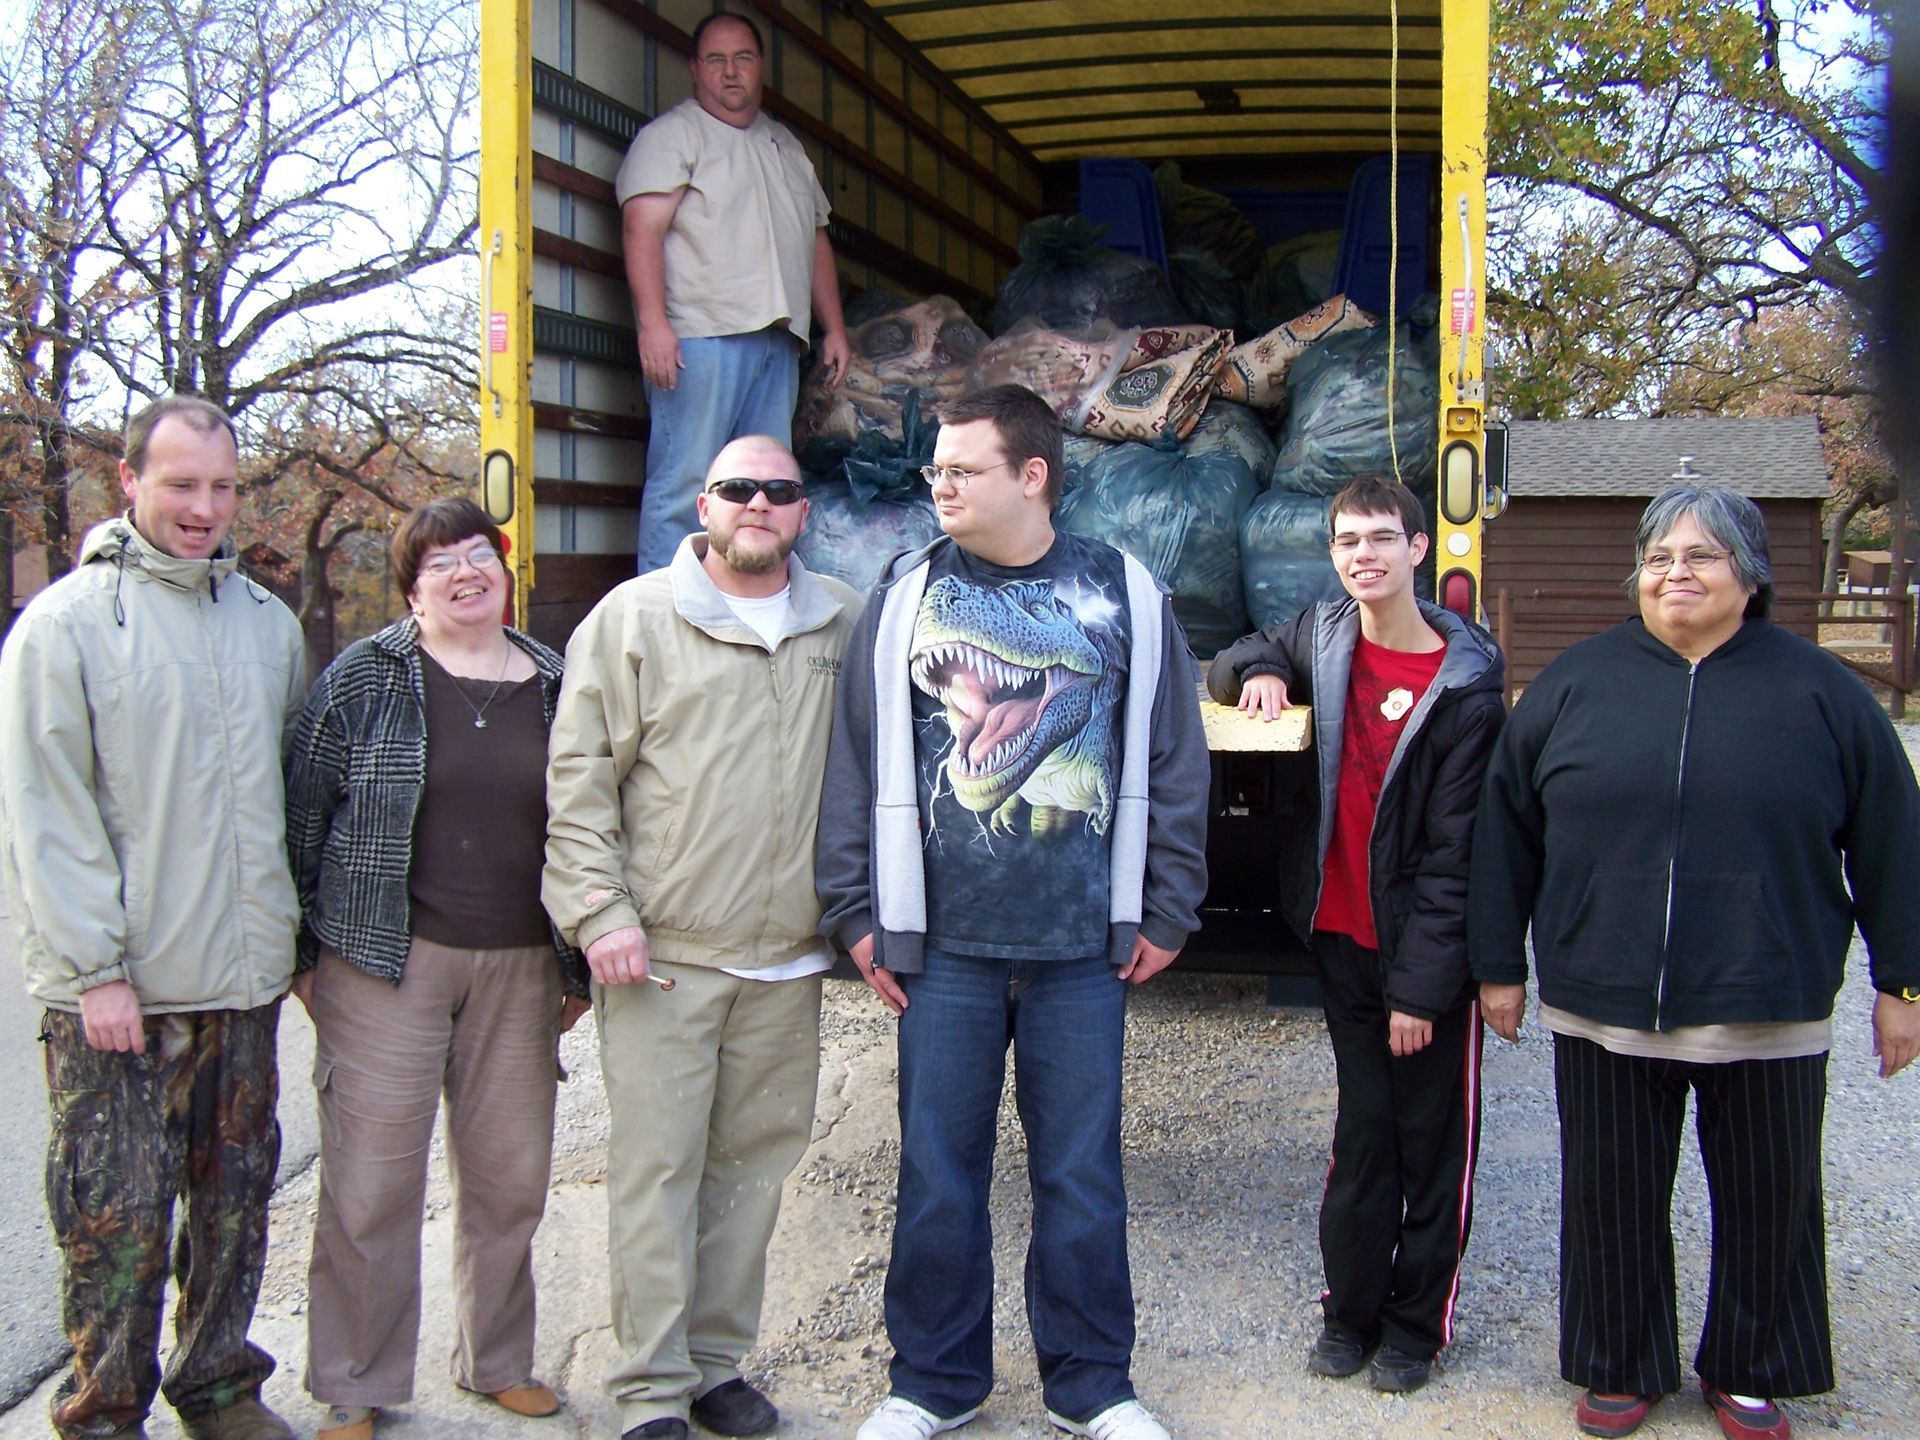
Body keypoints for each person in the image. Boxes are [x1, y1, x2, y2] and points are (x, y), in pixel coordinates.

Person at [1469, 484, 1920, 1440]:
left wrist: (1903, 984)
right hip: (1604, 996)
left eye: (1701, 555)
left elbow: (1893, 845)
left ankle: (1751, 1367)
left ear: (1749, 576)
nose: (1675, 573)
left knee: (1769, 1199)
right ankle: (1620, 1363)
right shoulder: (1574, 685)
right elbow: (1505, 834)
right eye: (1659, 557)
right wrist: (1498, 964)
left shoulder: (1825, 695)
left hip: (1768, 996)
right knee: (1611, 1193)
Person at [816, 384, 1211, 1440]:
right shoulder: (904, 595)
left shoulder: (1123, 589)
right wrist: (855, 912)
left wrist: (1167, 908)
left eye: (963, 469)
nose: (939, 485)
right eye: (935, 469)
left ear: (1032, 476)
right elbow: (852, 760)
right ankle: (932, 1382)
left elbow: (1175, 758)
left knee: (1080, 1174)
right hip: (941, 948)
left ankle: (1092, 1385)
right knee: (937, 1175)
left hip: (1081, 948)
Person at [0, 395, 305, 1440]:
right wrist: (94, 970)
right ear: (129, 481)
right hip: (118, 994)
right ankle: (103, 1412)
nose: (203, 507)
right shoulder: (65, 626)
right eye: (181, 484)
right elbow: (47, 811)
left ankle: (219, 1387)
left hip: (242, 982)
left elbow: (288, 795)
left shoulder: (267, 625)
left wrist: (292, 947)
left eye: (222, 487)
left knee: (234, 1204)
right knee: (115, 1220)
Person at [544, 436, 860, 1440]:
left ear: (803, 511)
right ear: (705, 505)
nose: (757, 503)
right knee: (657, 1174)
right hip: (665, 957)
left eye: (779, 490)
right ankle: (648, 1390)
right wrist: (601, 913)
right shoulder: (633, 620)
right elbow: (579, 781)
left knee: (753, 1172)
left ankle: (716, 1366)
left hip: (788, 959)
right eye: (737, 488)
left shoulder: (843, 621)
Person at [282, 498, 589, 1440]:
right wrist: (305, 955)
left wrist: (577, 966)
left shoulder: (558, 683)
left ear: (504, 570)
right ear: (411, 590)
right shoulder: (361, 679)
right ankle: (355, 1381)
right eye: (439, 563)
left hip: (520, 969)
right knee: (371, 1186)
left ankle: (496, 1361)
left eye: (479, 554)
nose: (465, 573)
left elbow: (595, 825)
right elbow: (301, 816)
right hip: (385, 966)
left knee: (509, 1182)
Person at [1207, 475, 1504, 1395]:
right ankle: (1350, 1316)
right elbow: (1240, 651)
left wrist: (1423, 989)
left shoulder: (1465, 690)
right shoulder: (1325, 635)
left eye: (1381, 538)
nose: (1362, 555)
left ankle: (1417, 1329)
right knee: (1364, 1134)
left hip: (1423, 960)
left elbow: (1457, 859)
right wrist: (1258, 674)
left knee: (1432, 1142)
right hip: (1339, 938)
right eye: (1346, 541)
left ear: (1419, 549)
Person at [617, 9, 850, 573]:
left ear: (760, 67)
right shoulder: (674, 136)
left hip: (778, 344)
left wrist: (835, 328)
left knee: (764, 490)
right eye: (716, 60)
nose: (730, 72)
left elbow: (815, 239)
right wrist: (653, 325)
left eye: (742, 58)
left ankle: (750, 600)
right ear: (695, 68)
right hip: (701, 339)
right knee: (686, 485)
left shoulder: (785, 146)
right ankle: (663, 610)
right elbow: (640, 229)